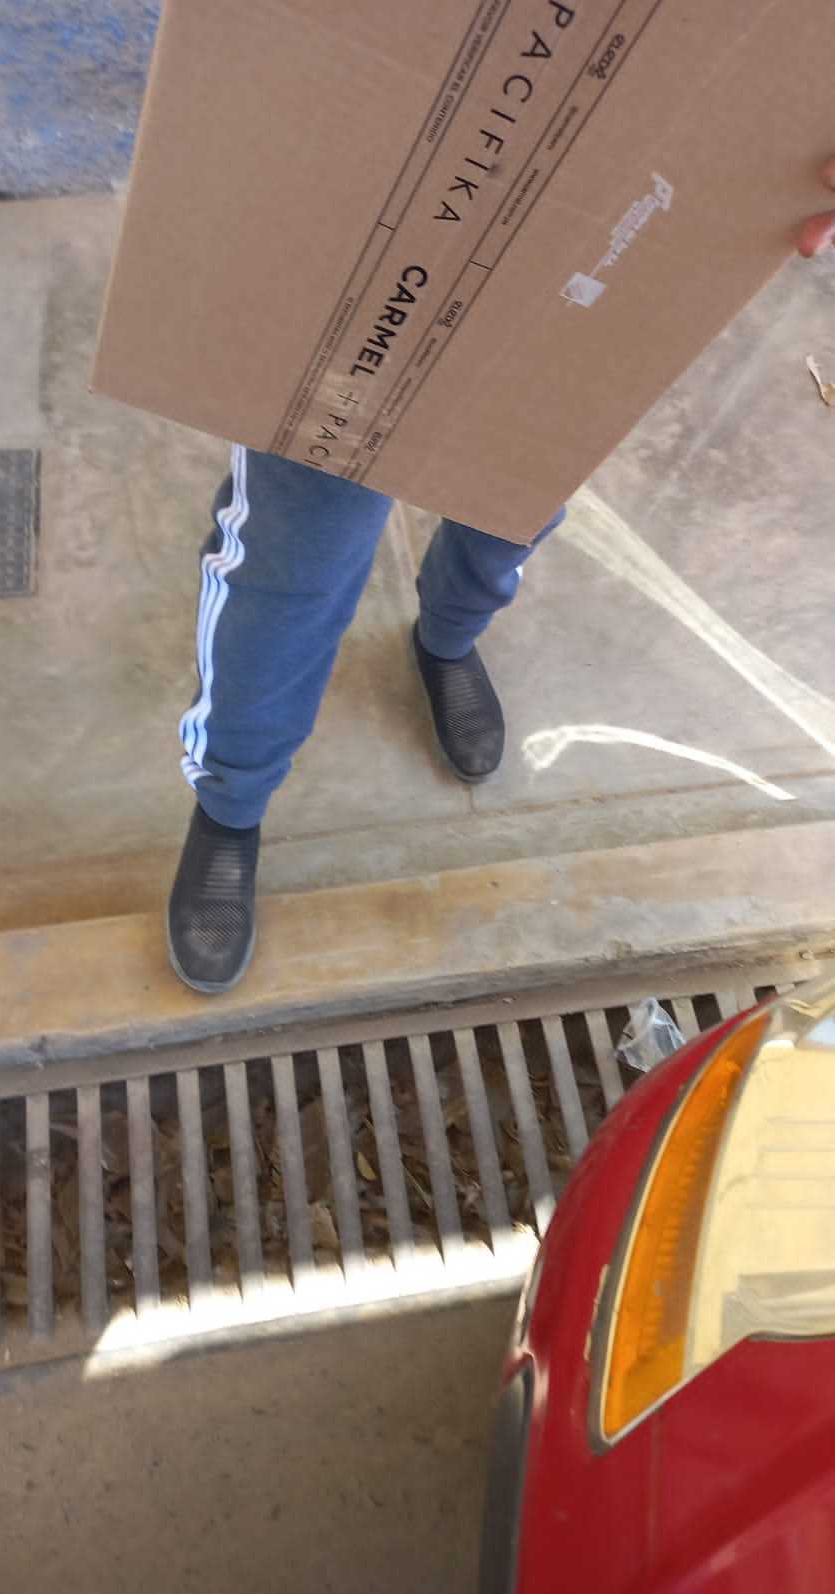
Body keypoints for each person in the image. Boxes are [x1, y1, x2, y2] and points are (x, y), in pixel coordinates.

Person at [166, 162, 835, 995]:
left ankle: (446, 638)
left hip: (628, 198)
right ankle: (231, 801)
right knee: (294, 552)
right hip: (379, 187)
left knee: (518, 484)